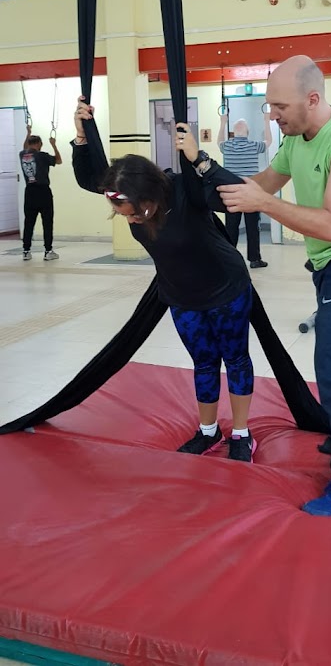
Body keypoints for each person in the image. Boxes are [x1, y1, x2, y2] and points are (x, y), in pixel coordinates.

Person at [218, 56, 331, 517]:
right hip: (329, 264)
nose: (271, 115)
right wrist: (199, 184)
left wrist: (262, 204)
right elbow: (262, 183)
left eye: (279, 105)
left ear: (313, 99)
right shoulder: (295, 140)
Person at [72, 98, 256, 463]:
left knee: (234, 359)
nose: (133, 220)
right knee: (204, 362)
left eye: (137, 212)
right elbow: (88, 177)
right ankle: (207, 431)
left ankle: (241, 433)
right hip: (181, 295)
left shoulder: (185, 189)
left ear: (152, 195)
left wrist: (199, 159)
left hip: (225, 289)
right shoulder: (123, 191)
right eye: (123, 214)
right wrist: (81, 136)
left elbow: (240, 194)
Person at [217, 113, 272, 268]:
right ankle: (254, 259)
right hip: (250, 194)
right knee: (253, 227)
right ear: (248, 132)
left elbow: (219, 141)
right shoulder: (253, 145)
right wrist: (266, 121)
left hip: (231, 193)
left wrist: (222, 123)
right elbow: (269, 141)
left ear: (234, 133)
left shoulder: (227, 146)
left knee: (231, 228)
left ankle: (230, 260)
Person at [20, 126, 62, 262]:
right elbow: (58, 160)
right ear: (39, 144)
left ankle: (26, 251)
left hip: (29, 192)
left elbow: (25, 146)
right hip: (43, 192)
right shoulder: (42, 156)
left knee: (29, 222)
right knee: (47, 222)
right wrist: (54, 145)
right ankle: (48, 251)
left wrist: (28, 133)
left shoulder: (22, 154)